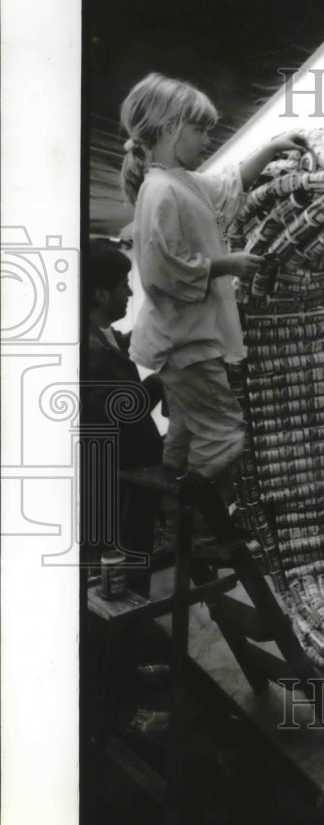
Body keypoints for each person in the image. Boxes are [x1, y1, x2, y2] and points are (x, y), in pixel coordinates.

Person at [119, 72, 303, 510]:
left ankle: (171, 512)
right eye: (199, 129)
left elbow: (229, 186)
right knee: (224, 434)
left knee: (186, 428)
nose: (208, 138)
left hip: (187, 337)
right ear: (167, 129)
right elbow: (161, 270)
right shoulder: (161, 190)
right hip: (186, 340)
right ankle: (196, 519)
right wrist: (227, 264)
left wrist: (272, 148)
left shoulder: (180, 181)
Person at [81, 239, 165, 595]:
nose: (129, 292)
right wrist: (160, 383)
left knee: (136, 556)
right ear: (100, 294)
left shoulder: (107, 338)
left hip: (136, 476)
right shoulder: (85, 351)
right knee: (113, 568)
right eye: (122, 285)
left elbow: (130, 343)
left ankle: (136, 626)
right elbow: (117, 413)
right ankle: (115, 645)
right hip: (113, 485)